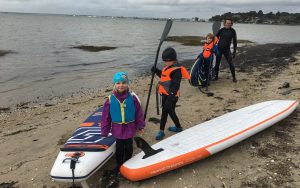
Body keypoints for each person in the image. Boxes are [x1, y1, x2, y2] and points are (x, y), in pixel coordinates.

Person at [101, 72, 145, 173]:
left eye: (124, 83)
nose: (121, 85)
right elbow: (105, 117)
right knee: (119, 148)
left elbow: (138, 113)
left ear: (127, 84)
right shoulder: (110, 100)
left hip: (130, 128)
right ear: (114, 84)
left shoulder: (132, 98)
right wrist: (105, 131)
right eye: (118, 83)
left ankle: (128, 162)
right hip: (117, 129)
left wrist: (140, 125)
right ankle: (119, 164)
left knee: (129, 147)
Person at [151, 47, 190, 140]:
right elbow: (164, 76)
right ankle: (177, 127)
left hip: (172, 96)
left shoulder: (177, 71)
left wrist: (170, 98)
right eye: (164, 61)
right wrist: (156, 71)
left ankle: (162, 130)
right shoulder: (167, 67)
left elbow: (176, 86)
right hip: (164, 95)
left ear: (173, 59)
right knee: (169, 112)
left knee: (167, 112)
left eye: (167, 61)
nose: (165, 63)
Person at [215, 18, 237, 82]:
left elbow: (235, 41)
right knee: (217, 63)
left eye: (230, 23)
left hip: (227, 50)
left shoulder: (233, 31)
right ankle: (216, 76)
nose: (228, 24)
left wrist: (234, 51)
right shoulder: (221, 30)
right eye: (227, 23)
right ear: (224, 23)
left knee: (231, 63)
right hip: (219, 49)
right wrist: (213, 47)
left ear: (231, 24)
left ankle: (234, 77)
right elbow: (215, 39)